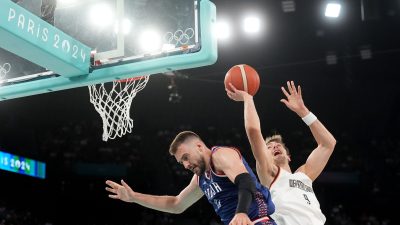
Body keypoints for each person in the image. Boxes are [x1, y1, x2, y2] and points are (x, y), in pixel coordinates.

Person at [105, 131, 277, 225]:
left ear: (200, 147)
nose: (185, 165)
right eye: (181, 162)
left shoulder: (221, 155)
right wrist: (134, 197)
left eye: (186, 157)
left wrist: (241, 213)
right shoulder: (200, 178)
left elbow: (245, 181)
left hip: (257, 220)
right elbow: (176, 204)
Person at [226, 81, 336, 225]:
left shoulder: (305, 174)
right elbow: (253, 131)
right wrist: (248, 99)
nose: (275, 146)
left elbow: (328, 144)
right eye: (269, 147)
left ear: (288, 156)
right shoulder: (269, 172)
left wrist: (303, 112)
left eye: (278, 145)